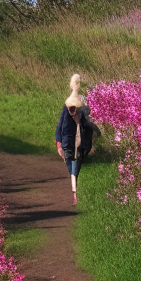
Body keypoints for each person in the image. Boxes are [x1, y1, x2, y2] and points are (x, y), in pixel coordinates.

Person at [55, 73, 100, 206]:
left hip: (70, 141)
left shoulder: (72, 104)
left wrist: (58, 143)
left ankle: (74, 190)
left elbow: (61, 125)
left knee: (73, 164)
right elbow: (86, 122)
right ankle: (74, 191)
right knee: (74, 166)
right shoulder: (79, 105)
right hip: (73, 141)